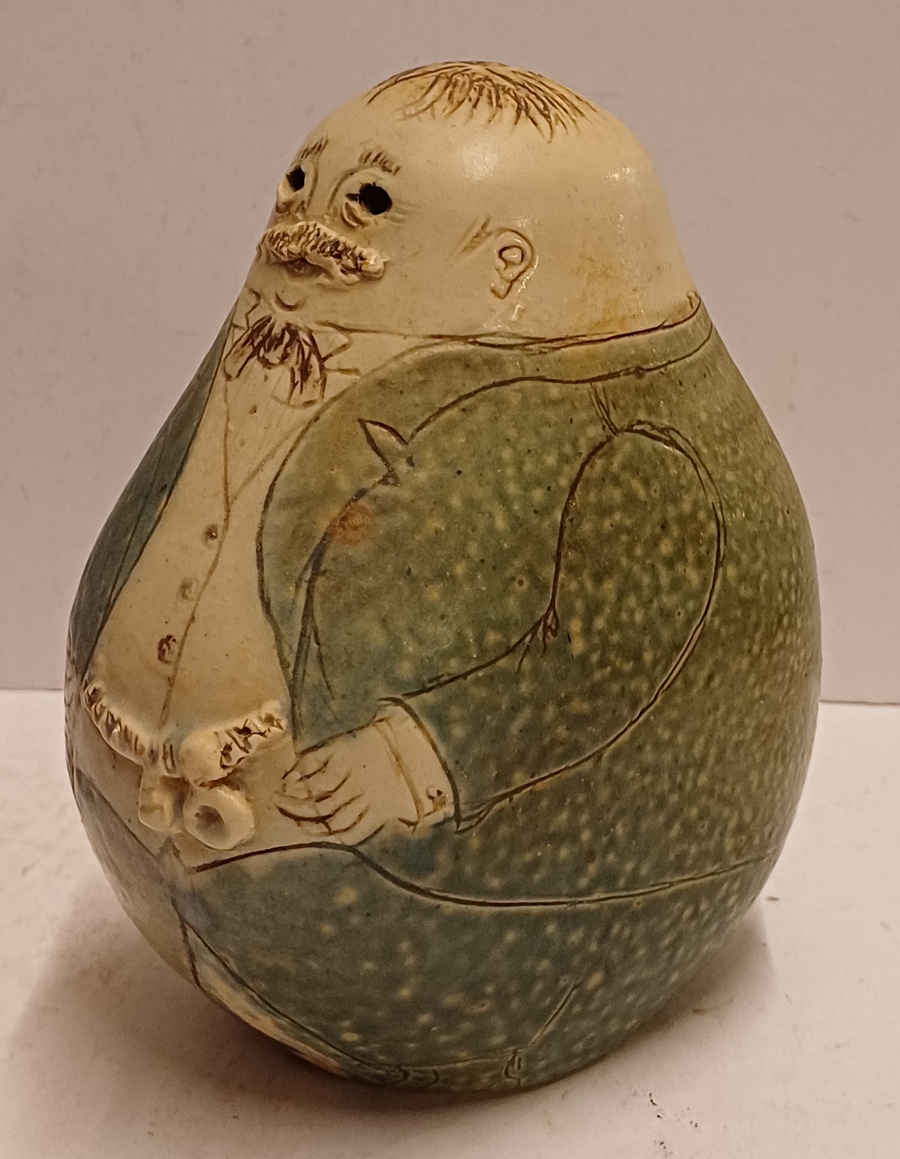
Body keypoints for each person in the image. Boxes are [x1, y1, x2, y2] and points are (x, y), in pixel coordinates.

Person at [67, 63, 818, 1089]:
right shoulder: (271, 355)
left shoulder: (610, 429)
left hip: (467, 930)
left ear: (509, 263)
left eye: (369, 202)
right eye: (302, 184)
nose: (310, 224)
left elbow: (597, 667)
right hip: (207, 887)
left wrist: (414, 755)